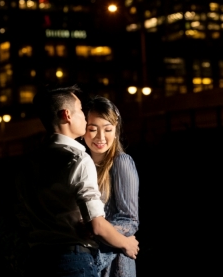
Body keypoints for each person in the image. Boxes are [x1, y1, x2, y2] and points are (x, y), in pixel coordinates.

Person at [17, 85, 139, 277]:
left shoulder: (29, 162)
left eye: (108, 129)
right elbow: (97, 225)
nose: (100, 136)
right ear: (67, 115)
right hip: (76, 257)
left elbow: (23, 216)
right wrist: (123, 241)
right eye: (81, 111)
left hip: (43, 259)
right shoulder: (78, 160)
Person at [83, 96, 139, 277]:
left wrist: (94, 231)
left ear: (115, 131)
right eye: (92, 129)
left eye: (108, 129)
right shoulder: (81, 164)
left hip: (115, 260)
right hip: (86, 257)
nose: (100, 137)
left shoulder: (121, 162)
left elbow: (130, 220)